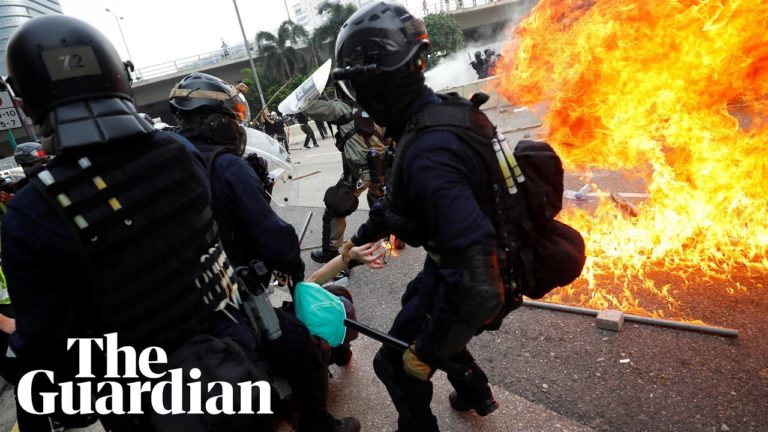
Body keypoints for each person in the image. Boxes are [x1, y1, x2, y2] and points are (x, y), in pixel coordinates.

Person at [1, 16, 269, 431]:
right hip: (234, 364)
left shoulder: (32, 210)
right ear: (118, 75)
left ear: (26, 97)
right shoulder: (179, 152)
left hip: (143, 405)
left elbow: (52, 359)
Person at [333, 2, 513, 431]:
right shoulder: (442, 116)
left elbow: (480, 288)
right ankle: (475, 393)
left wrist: (428, 350)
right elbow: (399, 205)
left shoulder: (429, 151)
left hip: (473, 273)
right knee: (414, 306)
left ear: (373, 84)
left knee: (396, 363)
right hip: (458, 263)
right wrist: (357, 239)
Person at [169, 72, 360, 432]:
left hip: (181, 304)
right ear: (214, 121)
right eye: (230, 116)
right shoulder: (226, 166)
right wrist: (291, 264)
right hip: (230, 297)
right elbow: (275, 240)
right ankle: (319, 424)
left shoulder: (171, 165)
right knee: (301, 348)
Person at [300, 97, 386, 264]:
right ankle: (395, 237)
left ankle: (331, 253)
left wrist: (309, 95)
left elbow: (310, 108)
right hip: (383, 167)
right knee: (380, 200)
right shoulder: (375, 103)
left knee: (337, 205)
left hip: (360, 172)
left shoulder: (343, 108)